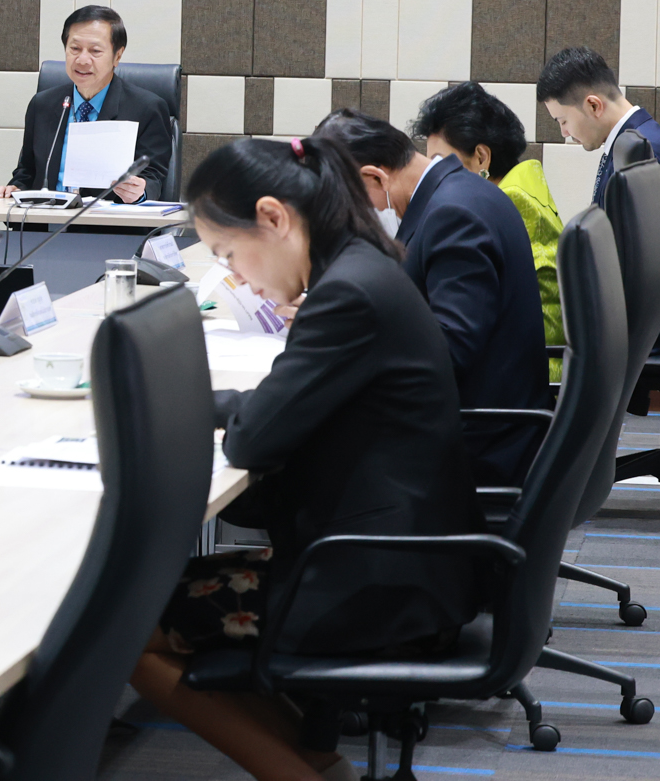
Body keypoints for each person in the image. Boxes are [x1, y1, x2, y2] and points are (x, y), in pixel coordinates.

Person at [132, 137, 483, 781]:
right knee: (152, 598)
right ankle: (322, 766)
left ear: (273, 217)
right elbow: (284, 404)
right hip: (404, 555)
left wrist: (200, 412)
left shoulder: (345, 294)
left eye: (228, 254)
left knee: (129, 626)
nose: (236, 277)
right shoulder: (361, 265)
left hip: (375, 580)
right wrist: (195, 403)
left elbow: (253, 440)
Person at [312, 109, 549, 486]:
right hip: (480, 421)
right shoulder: (458, 191)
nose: (368, 214)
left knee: (307, 453)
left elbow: (449, 351)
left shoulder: (452, 214)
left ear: (375, 176)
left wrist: (350, 336)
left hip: (478, 444)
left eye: (357, 204)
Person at [538, 46, 660, 351]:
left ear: (593, 105)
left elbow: (631, 263)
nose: (564, 133)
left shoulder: (644, 153)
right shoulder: (634, 142)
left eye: (562, 120)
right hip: (653, 318)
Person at [411, 82, 563, 381]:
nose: (435, 176)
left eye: (441, 163)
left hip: (522, 377)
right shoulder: (523, 184)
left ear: (481, 157)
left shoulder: (505, 203)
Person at [0, 4, 171, 201]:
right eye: (75, 49)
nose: (82, 60)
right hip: (47, 216)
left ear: (117, 56)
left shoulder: (146, 108)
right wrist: (15, 188)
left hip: (109, 219)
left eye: (95, 51)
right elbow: (27, 171)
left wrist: (139, 192)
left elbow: (153, 178)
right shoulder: (42, 105)